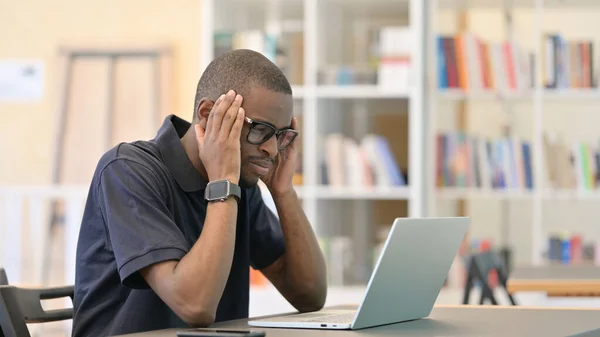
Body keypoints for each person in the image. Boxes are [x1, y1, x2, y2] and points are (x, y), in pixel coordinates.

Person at [71, 49, 328, 337]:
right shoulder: (127, 170)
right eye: (261, 130)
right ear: (208, 115)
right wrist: (223, 183)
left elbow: (309, 296)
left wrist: (284, 192)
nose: (271, 149)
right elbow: (195, 305)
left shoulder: (240, 183)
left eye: (281, 135)